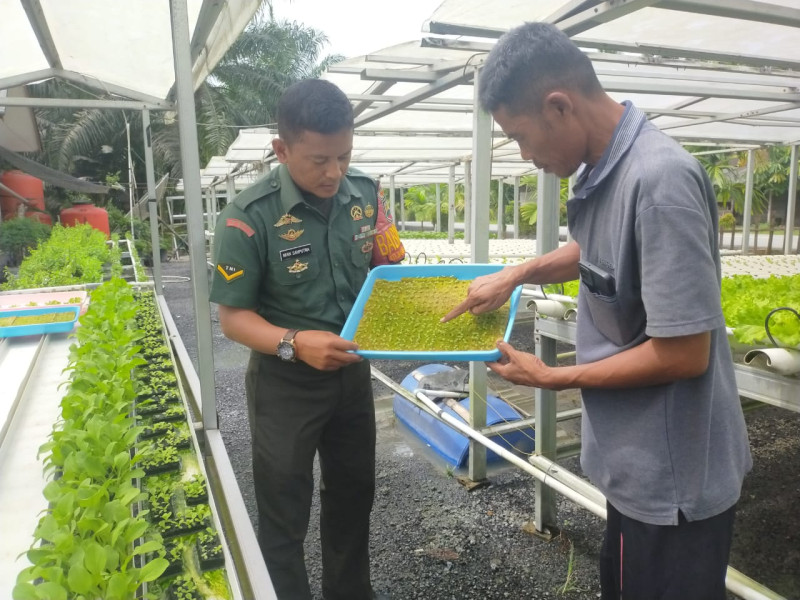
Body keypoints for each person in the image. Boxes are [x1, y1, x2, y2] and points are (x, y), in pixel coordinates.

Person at [442, 22, 752, 600]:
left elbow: (684, 353)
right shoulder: (607, 170)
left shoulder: (659, 182)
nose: (526, 156)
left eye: (520, 136)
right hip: (636, 471)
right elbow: (601, 251)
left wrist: (553, 378)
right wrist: (519, 274)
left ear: (558, 106)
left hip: (671, 487)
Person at [209, 78, 400, 600]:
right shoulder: (249, 217)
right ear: (282, 149)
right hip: (285, 382)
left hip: (351, 374)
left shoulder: (365, 193)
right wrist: (297, 342)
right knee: (283, 509)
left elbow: (387, 265)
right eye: (319, 160)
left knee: (352, 496)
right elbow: (233, 318)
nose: (334, 172)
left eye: (343, 155)